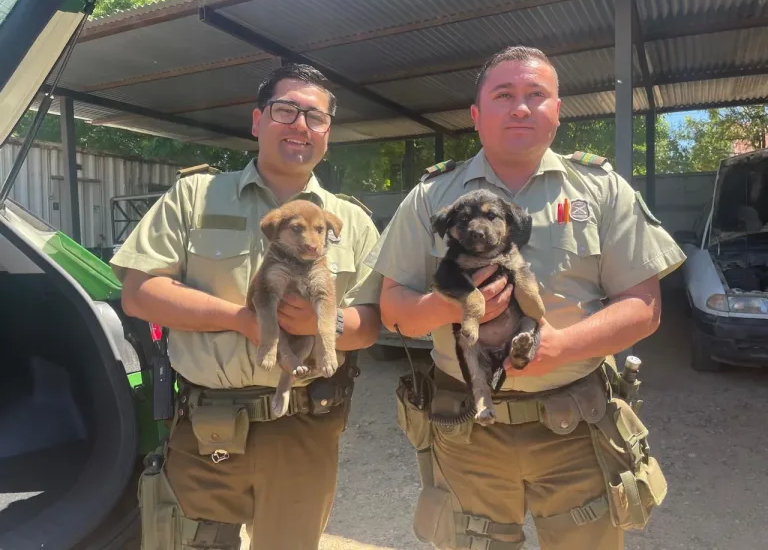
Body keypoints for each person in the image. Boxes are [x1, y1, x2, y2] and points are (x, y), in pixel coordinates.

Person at [365, 46, 686, 550]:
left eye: (536, 95)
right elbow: (392, 307)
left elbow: (644, 307)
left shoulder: (600, 189)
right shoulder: (431, 196)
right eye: (504, 94)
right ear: (476, 115)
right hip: (466, 431)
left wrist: (559, 348)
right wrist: (447, 307)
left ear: (557, 111)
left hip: (576, 429)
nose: (520, 107)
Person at [110, 63, 383, 550]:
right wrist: (243, 320)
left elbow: (373, 322)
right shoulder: (195, 196)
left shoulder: (352, 222)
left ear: (327, 134)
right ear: (258, 121)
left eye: (315, 117)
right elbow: (139, 293)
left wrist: (330, 321)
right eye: (286, 110)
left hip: (305, 424)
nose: (301, 124)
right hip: (206, 424)